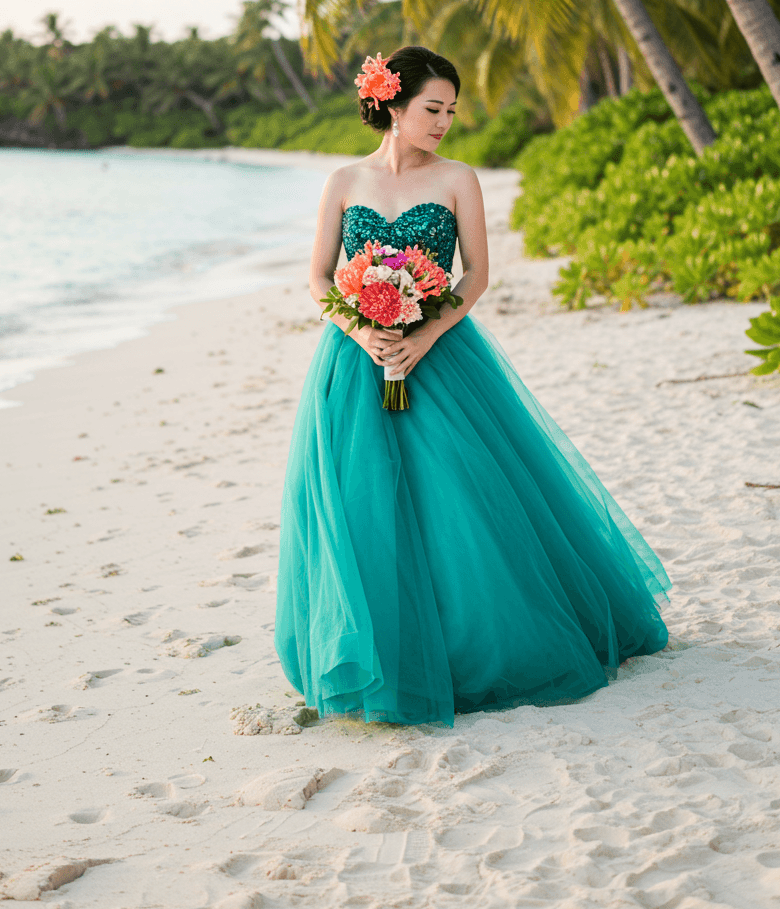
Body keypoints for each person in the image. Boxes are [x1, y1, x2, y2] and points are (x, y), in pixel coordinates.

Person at [275, 45, 670, 727]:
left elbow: (475, 276)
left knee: (458, 503)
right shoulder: (342, 181)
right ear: (391, 104)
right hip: (353, 362)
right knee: (361, 504)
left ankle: (465, 653)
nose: (444, 122)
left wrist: (421, 338)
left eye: (452, 111)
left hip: (442, 358)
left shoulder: (459, 179)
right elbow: (317, 279)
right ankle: (379, 655)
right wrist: (361, 332)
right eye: (433, 108)